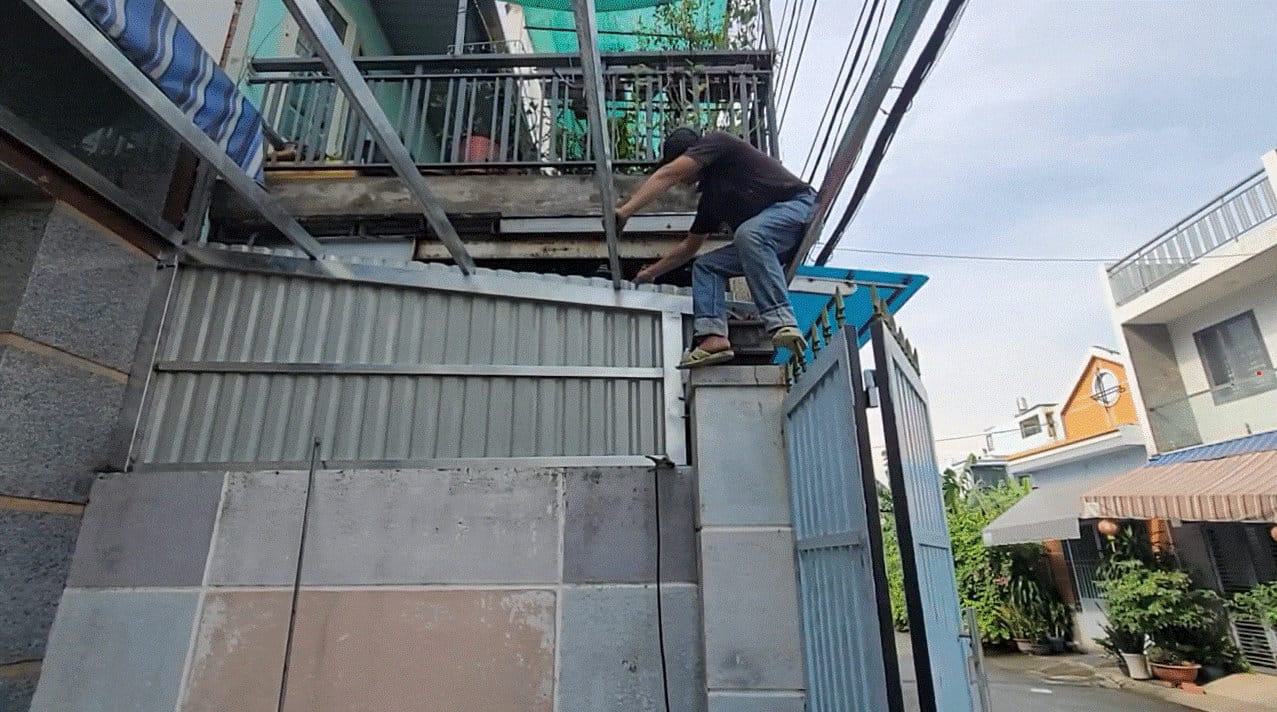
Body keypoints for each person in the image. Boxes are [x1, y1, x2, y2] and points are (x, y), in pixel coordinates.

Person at [615, 128, 816, 368]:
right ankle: (713, 337)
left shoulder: (718, 142)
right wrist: (651, 273)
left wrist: (625, 211)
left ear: (691, 155)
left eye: (679, 162)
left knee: (749, 233)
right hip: (764, 243)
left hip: (799, 207)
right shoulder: (712, 198)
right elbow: (690, 246)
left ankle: (782, 320)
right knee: (706, 266)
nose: (680, 177)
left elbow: (667, 175)